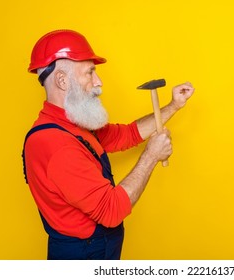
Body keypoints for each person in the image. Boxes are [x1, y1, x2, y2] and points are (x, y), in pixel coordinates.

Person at [22, 29, 194, 260]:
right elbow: (111, 211)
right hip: (83, 254)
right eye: (90, 72)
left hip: (99, 247)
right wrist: (152, 155)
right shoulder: (56, 144)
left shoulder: (73, 124)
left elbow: (127, 134)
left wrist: (173, 105)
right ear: (62, 80)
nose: (98, 82)